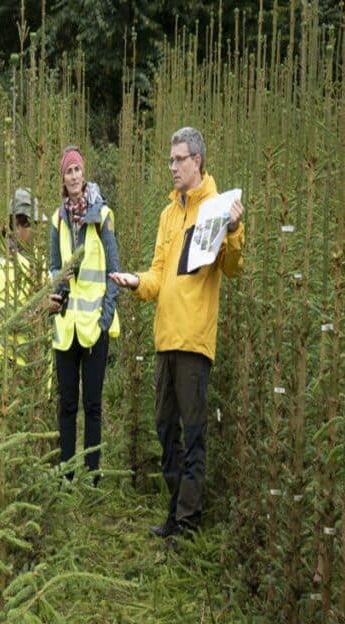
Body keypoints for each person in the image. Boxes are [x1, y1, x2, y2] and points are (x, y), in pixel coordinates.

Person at [110, 126, 244, 542]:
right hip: (164, 338)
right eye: (170, 160)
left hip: (193, 341)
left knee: (192, 434)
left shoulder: (220, 207)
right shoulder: (169, 214)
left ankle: (186, 524)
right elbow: (156, 276)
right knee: (165, 429)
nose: (172, 166)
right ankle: (174, 512)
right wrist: (135, 282)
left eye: (178, 159)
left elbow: (233, 268)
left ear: (197, 161)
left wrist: (235, 232)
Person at [49, 146, 119, 480]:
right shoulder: (57, 219)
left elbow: (114, 274)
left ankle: (92, 475)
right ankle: (65, 475)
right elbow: (54, 268)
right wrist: (56, 297)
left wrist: (105, 320)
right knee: (66, 405)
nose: (74, 176)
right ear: (62, 179)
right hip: (66, 327)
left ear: (84, 173)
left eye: (77, 170)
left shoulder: (102, 216)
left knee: (92, 405)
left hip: (94, 328)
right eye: (68, 172)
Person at [0, 187, 39, 365]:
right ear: (17, 226)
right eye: (32, 225)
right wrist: (40, 311)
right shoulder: (5, 262)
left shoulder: (37, 257)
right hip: (7, 363)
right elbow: (1, 313)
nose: (37, 231)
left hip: (33, 362)